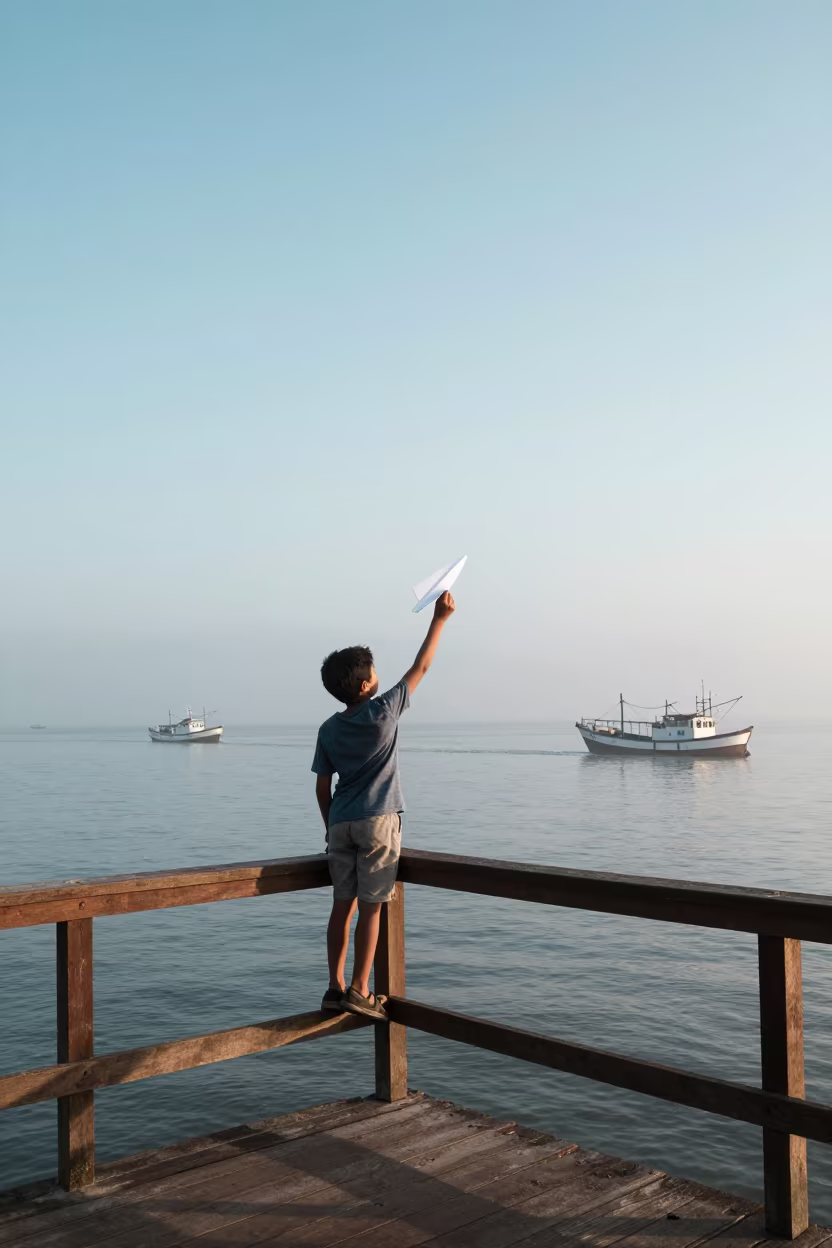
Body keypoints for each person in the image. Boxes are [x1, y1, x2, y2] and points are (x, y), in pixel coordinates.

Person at [311, 591, 456, 1020]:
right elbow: (422, 666)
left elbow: (323, 786)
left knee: (343, 904)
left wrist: (329, 826)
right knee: (372, 907)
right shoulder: (384, 712)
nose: (379, 674)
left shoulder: (327, 728)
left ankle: (333, 987)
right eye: (373, 671)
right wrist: (441, 618)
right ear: (365, 685)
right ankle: (360, 988)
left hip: (340, 824)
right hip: (377, 824)